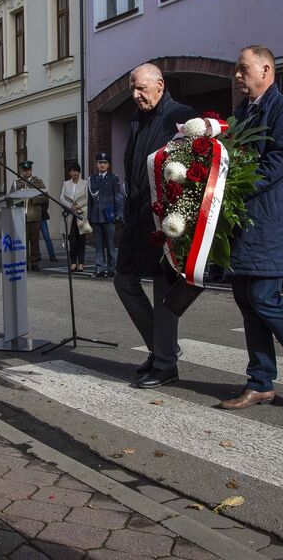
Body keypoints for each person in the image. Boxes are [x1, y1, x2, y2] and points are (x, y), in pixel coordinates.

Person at [219, 45, 283, 410]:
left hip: (271, 221)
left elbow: (281, 163)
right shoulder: (241, 113)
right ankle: (260, 381)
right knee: (247, 301)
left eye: (243, 68)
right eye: (237, 69)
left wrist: (232, 184)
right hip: (243, 223)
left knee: (265, 298)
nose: (237, 75)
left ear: (266, 70)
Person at [115, 63, 195, 389]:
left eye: (141, 89)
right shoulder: (139, 119)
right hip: (136, 219)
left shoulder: (180, 117)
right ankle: (162, 348)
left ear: (159, 85)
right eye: (132, 89)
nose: (135, 95)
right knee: (124, 282)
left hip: (167, 221)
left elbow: (191, 169)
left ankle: (165, 364)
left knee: (164, 292)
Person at [88, 152, 123, 278]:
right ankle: (100, 268)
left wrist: (119, 214)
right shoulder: (92, 179)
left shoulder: (113, 178)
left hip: (109, 216)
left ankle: (111, 268)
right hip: (96, 216)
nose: (102, 165)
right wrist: (89, 216)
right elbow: (90, 199)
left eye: (104, 163)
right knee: (98, 244)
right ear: (97, 164)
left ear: (108, 165)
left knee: (110, 244)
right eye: (100, 162)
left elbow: (118, 197)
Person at [9, 161, 48, 271]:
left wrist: (33, 199)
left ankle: (35, 262)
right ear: (21, 171)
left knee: (34, 241)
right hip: (21, 215)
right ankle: (24, 262)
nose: (27, 172)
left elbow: (45, 198)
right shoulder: (17, 183)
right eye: (24, 170)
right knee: (23, 241)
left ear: (31, 170)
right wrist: (19, 199)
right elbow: (11, 198)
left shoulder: (38, 182)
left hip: (35, 215)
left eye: (28, 170)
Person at [59, 162, 89, 272]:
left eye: (76, 171)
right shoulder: (66, 184)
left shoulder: (85, 183)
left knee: (81, 240)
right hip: (70, 216)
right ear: (69, 172)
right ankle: (73, 263)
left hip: (81, 214)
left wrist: (77, 206)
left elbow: (87, 198)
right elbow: (61, 198)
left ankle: (81, 263)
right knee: (72, 241)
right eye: (72, 171)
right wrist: (69, 206)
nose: (74, 173)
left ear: (79, 172)